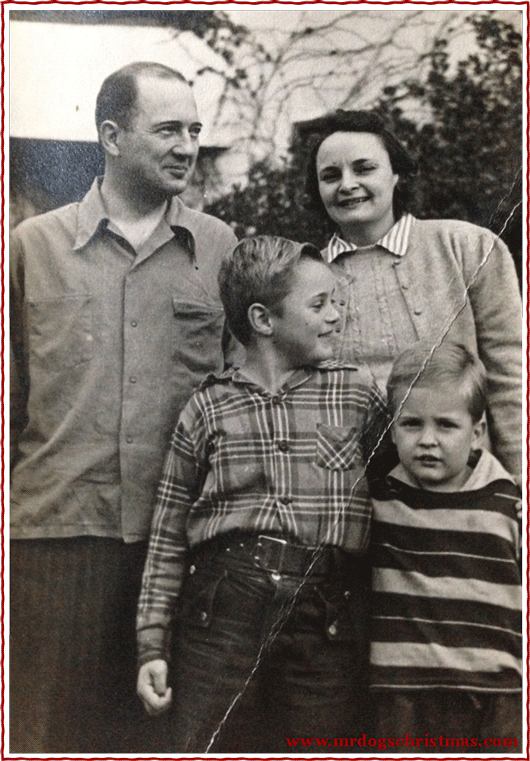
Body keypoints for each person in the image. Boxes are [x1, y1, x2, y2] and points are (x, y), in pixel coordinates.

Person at [10, 61, 238, 753]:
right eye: (167, 129)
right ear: (111, 135)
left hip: (182, 542)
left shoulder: (220, 247)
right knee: (50, 734)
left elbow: (241, 386)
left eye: (195, 130)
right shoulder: (32, 247)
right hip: (56, 540)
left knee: (163, 736)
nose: (187, 146)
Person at [136, 235, 389, 752]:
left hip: (324, 618)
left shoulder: (356, 393)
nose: (335, 316)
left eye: (337, 303)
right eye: (319, 305)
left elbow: (393, 493)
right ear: (263, 320)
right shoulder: (207, 408)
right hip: (222, 612)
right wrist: (151, 646)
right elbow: (167, 536)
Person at [303, 109, 522, 483]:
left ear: (396, 174)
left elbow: (510, 376)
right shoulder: (304, 277)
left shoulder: (467, 247)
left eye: (364, 168)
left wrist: (520, 483)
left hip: (464, 489)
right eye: (331, 176)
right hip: (353, 494)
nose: (347, 184)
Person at [370, 342, 521, 752]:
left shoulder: (509, 505)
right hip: (402, 694)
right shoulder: (379, 501)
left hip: (496, 693)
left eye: (446, 426)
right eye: (411, 424)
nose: (427, 440)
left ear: (477, 435)